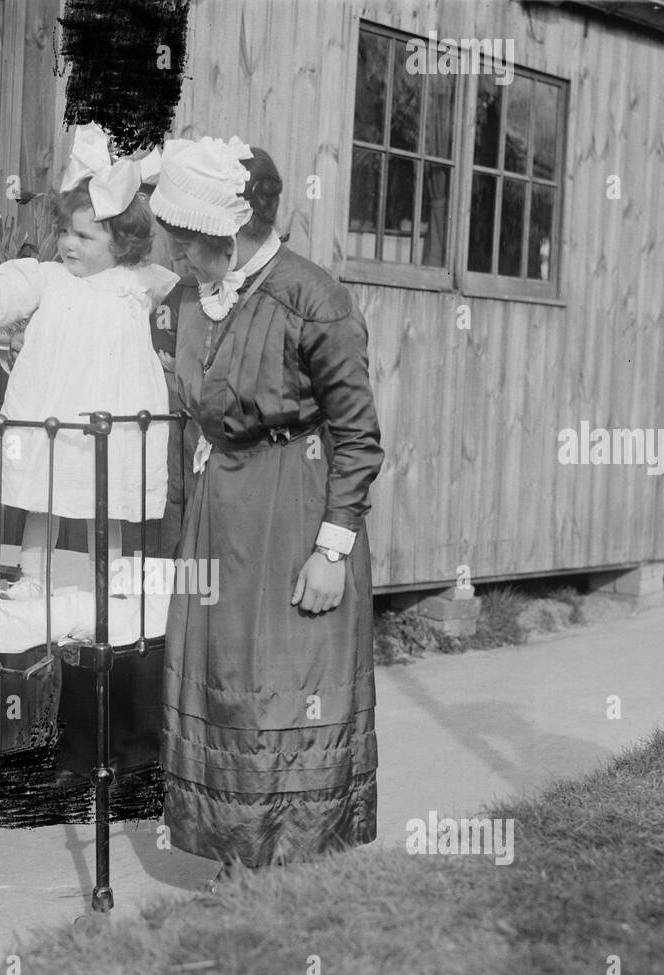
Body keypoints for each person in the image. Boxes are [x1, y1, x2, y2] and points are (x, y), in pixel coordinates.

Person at [149, 137, 384, 869]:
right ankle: (236, 851)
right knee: (227, 687)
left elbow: (357, 435)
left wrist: (332, 547)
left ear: (234, 229)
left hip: (295, 504)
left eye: (191, 244)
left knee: (289, 687)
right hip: (221, 513)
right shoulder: (186, 300)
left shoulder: (312, 298)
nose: (181, 259)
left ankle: (293, 859)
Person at [0, 124, 176, 597]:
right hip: (51, 408)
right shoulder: (50, 278)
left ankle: (108, 583)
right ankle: (33, 577)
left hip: (110, 415)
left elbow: (184, 299)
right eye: (64, 232)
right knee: (41, 497)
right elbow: (8, 287)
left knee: (106, 502)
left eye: (84, 237)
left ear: (121, 244)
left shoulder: (136, 283)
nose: (68, 244)